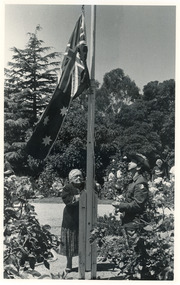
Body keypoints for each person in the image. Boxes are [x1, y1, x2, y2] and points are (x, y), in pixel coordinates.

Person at [112, 153, 150, 228]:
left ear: (138, 167)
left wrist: (120, 205)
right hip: (129, 220)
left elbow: (138, 205)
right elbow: (129, 200)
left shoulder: (140, 182)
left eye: (132, 161)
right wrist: (119, 208)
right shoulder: (133, 181)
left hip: (135, 222)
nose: (129, 163)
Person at [60, 169, 85, 274]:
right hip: (70, 219)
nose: (78, 178)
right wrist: (78, 197)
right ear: (71, 179)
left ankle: (82, 264)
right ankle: (69, 263)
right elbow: (67, 200)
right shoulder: (67, 188)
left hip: (82, 218)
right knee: (69, 243)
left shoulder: (85, 186)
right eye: (76, 177)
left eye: (80, 176)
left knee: (82, 242)